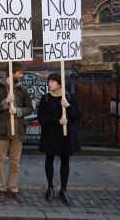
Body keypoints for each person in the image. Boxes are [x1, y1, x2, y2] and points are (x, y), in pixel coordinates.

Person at [0, 62, 33, 203]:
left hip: (17, 131)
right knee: (1, 162)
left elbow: (29, 108)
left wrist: (18, 111)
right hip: (2, 130)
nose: (22, 75)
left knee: (15, 162)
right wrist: (5, 103)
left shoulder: (22, 90)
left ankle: (13, 188)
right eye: (19, 73)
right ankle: (1, 189)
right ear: (12, 73)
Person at [37, 73, 82, 205]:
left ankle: (63, 189)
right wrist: (58, 121)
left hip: (66, 136)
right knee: (49, 159)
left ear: (60, 84)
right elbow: (42, 118)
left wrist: (67, 106)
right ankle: (50, 187)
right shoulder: (45, 98)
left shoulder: (69, 97)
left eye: (52, 81)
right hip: (51, 135)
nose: (49, 83)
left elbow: (78, 115)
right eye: (49, 81)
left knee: (65, 161)